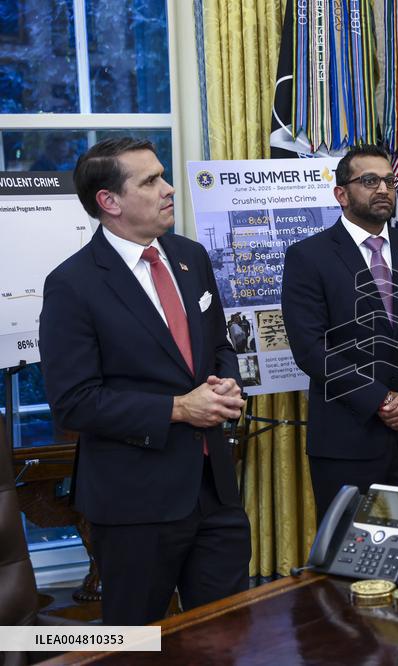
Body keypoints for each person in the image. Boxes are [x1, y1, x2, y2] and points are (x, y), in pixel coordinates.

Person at [39, 137, 250, 625]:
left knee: (228, 635)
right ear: (109, 202)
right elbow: (75, 402)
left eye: (163, 175)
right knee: (135, 643)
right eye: (151, 181)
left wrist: (226, 384)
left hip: (216, 491)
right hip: (136, 502)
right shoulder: (73, 284)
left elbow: (219, 345)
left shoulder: (190, 257)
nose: (169, 189)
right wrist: (178, 408)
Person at [282, 144, 398, 520]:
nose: (383, 190)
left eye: (390, 181)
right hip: (346, 440)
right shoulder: (308, 256)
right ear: (341, 194)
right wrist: (381, 400)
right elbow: (311, 348)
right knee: (348, 562)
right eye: (370, 181)